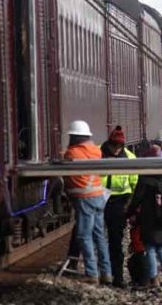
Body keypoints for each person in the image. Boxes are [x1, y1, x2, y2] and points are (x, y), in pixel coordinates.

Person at [63, 120, 112, 284]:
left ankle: (92, 273)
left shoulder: (72, 154)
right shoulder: (95, 151)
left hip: (85, 199)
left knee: (84, 236)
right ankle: (107, 272)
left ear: (74, 137)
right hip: (99, 196)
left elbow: (66, 165)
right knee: (99, 236)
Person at [127, 145, 162, 287]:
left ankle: (154, 278)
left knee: (150, 248)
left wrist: (129, 213)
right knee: (161, 248)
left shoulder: (145, 179)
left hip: (149, 219)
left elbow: (137, 199)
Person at [99, 126, 138, 288]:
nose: (116, 150)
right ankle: (102, 274)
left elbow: (134, 183)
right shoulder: (97, 154)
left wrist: (130, 207)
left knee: (115, 242)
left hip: (119, 202)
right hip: (99, 199)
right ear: (109, 143)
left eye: (119, 147)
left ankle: (117, 277)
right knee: (97, 239)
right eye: (114, 146)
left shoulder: (130, 158)